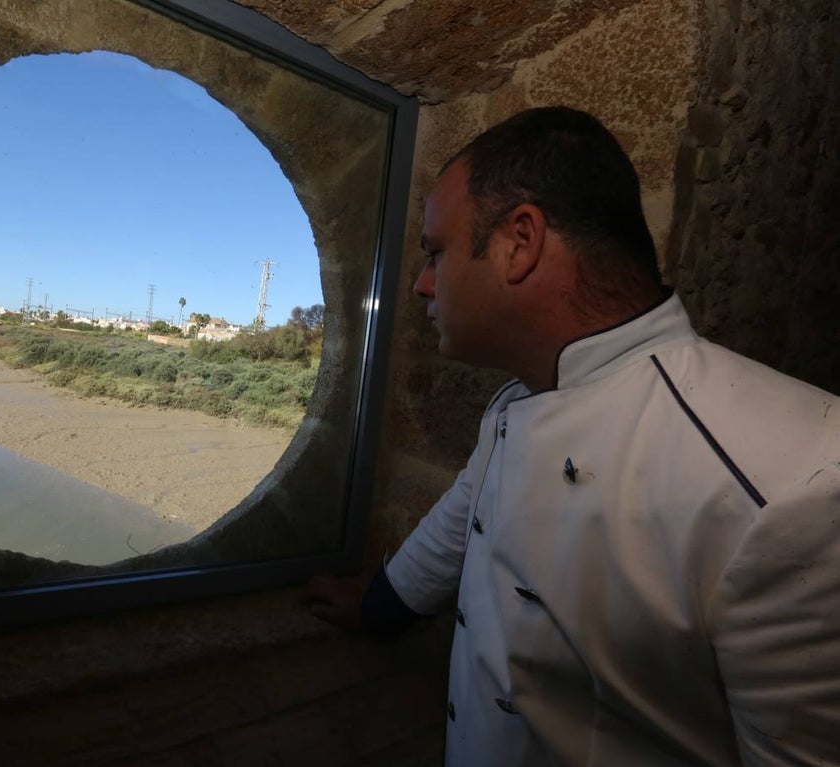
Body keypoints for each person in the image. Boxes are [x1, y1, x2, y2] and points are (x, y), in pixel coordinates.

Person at [303, 106, 840, 766]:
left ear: (519, 242)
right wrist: (378, 607)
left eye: (435, 252)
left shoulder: (799, 481)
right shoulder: (516, 403)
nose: (420, 284)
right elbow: (459, 524)